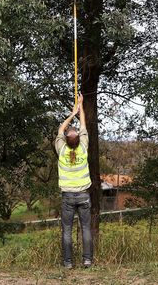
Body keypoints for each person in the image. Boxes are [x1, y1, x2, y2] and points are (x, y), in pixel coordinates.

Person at [55, 93, 92, 269]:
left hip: (68, 196)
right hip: (83, 195)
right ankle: (87, 260)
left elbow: (60, 130)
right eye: (74, 130)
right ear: (77, 139)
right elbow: (83, 124)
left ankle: (68, 263)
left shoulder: (61, 149)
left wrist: (71, 114)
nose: (73, 129)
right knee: (85, 228)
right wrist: (80, 107)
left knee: (67, 230)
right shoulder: (83, 147)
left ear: (68, 140)